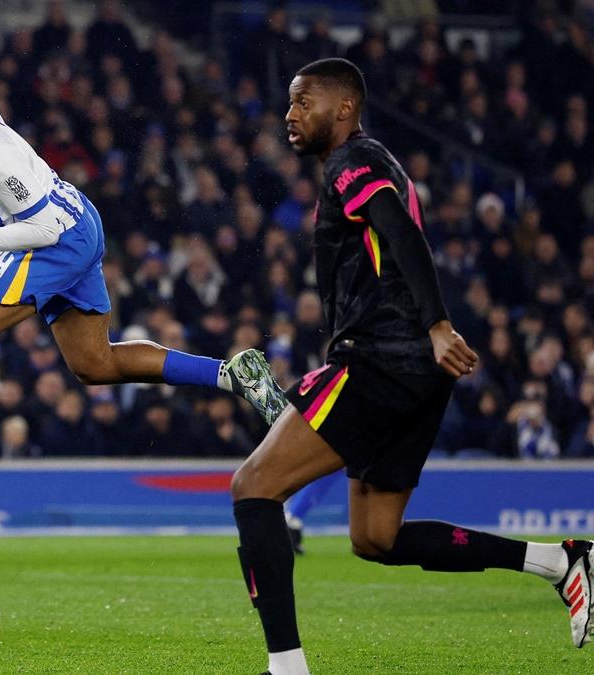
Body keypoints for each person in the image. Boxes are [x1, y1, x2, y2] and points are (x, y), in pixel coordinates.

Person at [229, 58, 592, 675]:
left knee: (252, 488)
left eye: (303, 102)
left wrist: (437, 324)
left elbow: (401, 234)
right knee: (377, 538)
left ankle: (286, 668)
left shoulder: (354, 162)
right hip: (415, 372)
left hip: (379, 359)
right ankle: (561, 563)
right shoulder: (375, 161)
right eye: (289, 104)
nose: (290, 115)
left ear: (343, 108)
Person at [0, 69, 288, 539]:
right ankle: (231, 374)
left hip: (55, 238)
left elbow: (44, 232)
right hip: (74, 219)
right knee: (96, 365)